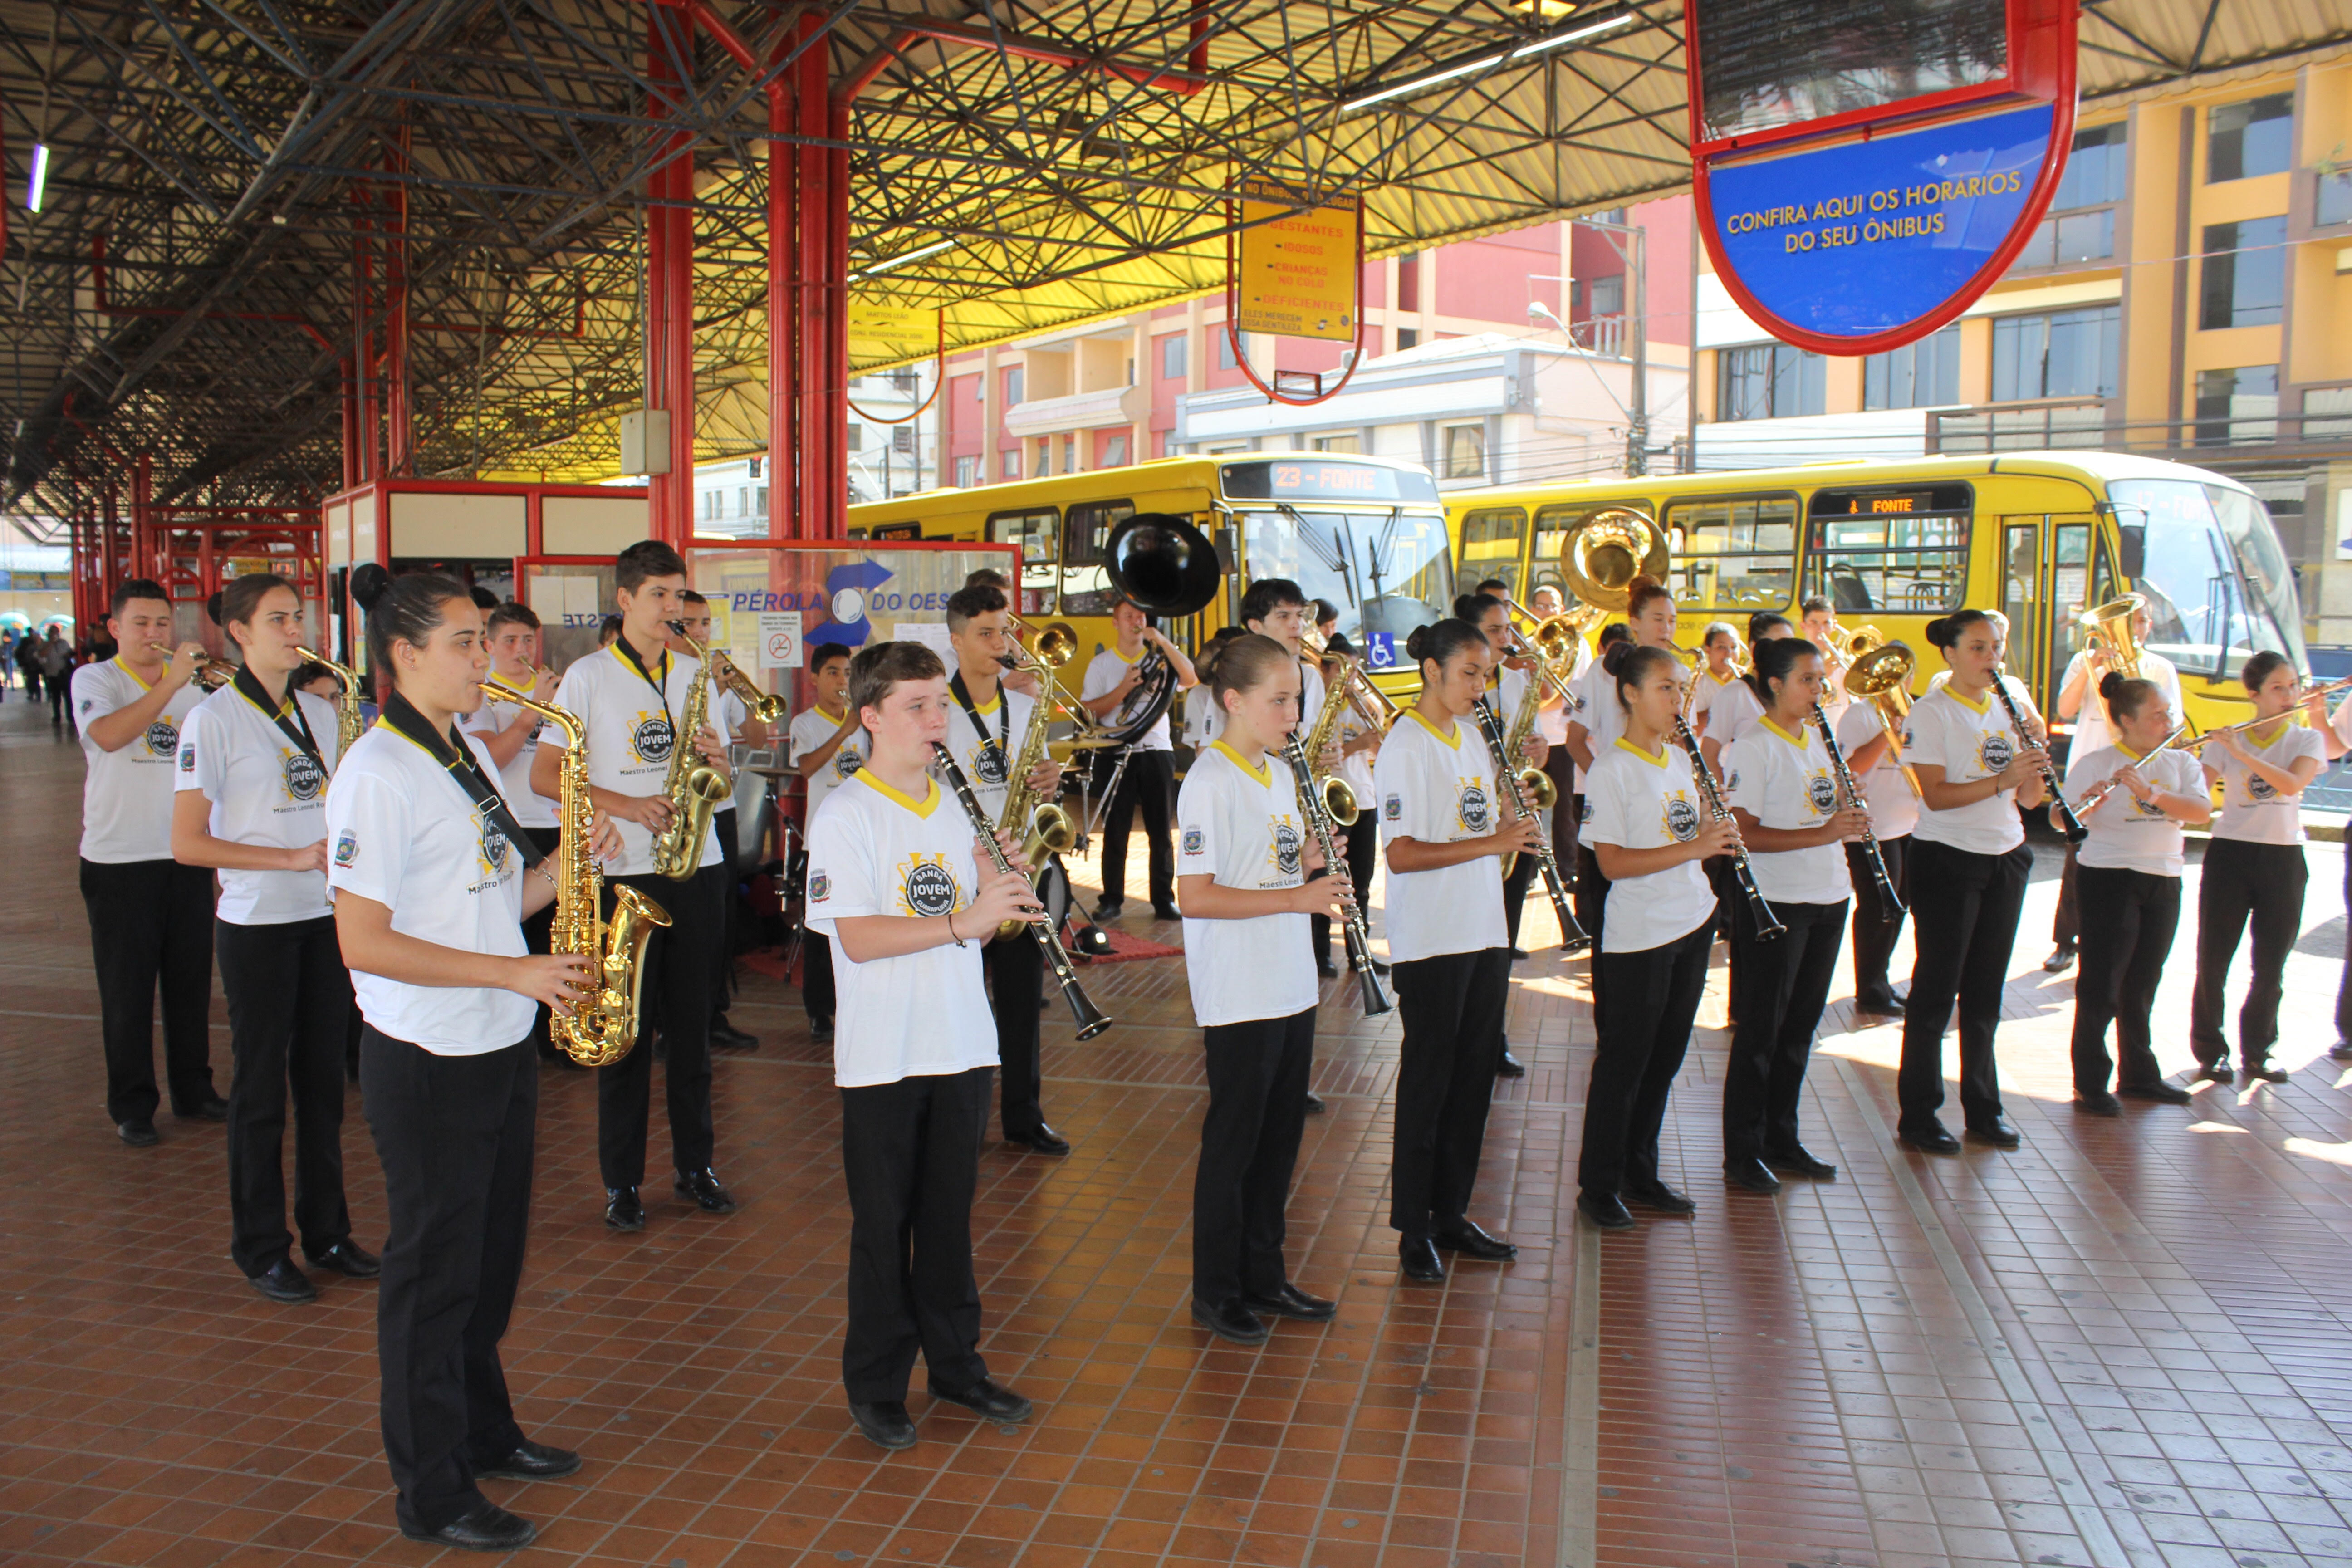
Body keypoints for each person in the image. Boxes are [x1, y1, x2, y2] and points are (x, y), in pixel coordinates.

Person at [327, 566, 610, 1553]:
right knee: (434, 1275)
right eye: (465, 641)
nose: (486, 657)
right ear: (404, 657)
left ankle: (485, 1431)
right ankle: (433, 1489)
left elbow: (492, 899)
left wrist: (564, 868)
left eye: (485, 638)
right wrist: (514, 971)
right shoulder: (378, 770)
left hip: (495, 1037)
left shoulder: (459, 755)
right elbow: (363, 941)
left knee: (491, 1263)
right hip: (428, 1051)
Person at [805, 639, 1040, 1451]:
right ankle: (875, 1383)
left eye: (940, 704)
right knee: (883, 1227)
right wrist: (964, 918)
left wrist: (1002, 887)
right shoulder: (844, 813)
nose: (936, 720)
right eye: (917, 706)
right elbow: (860, 938)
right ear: (869, 716)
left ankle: (956, 1366)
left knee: (947, 1220)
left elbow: (991, 925)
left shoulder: (956, 800)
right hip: (881, 1053)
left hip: (960, 1043)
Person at [172, 574, 373, 1303]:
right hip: (258, 926)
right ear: (239, 632)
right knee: (261, 1093)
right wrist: (289, 857)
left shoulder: (323, 713)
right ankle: (260, 1248)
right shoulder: (213, 721)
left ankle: (327, 1232)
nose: (297, 628)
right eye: (279, 618)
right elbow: (188, 844)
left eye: (300, 615)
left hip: (324, 919)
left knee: (323, 1086)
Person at [534, 539, 738, 1231]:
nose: (672, 609)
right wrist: (624, 806)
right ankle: (621, 1182)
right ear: (624, 601)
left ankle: (695, 1167)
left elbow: (724, 780)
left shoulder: (694, 674)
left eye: (679, 596)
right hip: (627, 875)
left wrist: (719, 763)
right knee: (624, 1035)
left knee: (692, 1031)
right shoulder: (587, 677)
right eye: (659, 596)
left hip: (696, 864)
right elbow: (544, 777)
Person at [1176, 633, 1348, 1343]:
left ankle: (1265, 1274)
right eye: (1279, 700)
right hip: (1240, 988)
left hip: (1288, 981)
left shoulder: (1278, 775)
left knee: (1279, 1142)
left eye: (1297, 700)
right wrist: (1296, 900)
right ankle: (1216, 1291)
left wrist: (1306, 860)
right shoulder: (1209, 780)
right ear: (1233, 702)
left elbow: (1266, 865)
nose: (1292, 714)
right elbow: (1197, 896)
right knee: (1235, 1142)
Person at [1375, 617, 1540, 1284]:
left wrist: (1509, 819)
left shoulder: (1474, 737)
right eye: (1469, 673)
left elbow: (1474, 826)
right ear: (1432, 672)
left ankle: (1452, 1212)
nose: (1481, 686)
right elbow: (1402, 853)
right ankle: (1414, 1227)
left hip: (1482, 930)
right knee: (1429, 1082)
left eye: (1486, 674)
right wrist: (1493, 843)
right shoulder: (1404, 746)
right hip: (1433, 940)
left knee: (1473, 1083)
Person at [1577, 642, 1738, 1230]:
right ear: (1631, 694)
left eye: (1681, 690)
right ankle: (1598, 1185)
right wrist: (1695, 845)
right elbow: (1613, 864)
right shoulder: (1611, 769)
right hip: (1638, 937)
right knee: (1624, 1063)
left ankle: (1640, 1170)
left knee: (1665, 1060)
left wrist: (1712, 828)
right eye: (1667, 689)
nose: (1678, 700)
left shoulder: (1676, 761)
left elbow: (1682, 834)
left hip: (1691, 921)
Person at [74, 580, 225, 1144]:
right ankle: (132, 1105)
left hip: (184, 855)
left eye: (162, 623)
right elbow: (112, 735)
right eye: (141, 623)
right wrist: (172, 684)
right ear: (115, 628)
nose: (154, 634)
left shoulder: (191, 690)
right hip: (118, 863)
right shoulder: (96, 680)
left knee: (189, 983)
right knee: (127, 990)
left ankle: (194, 1090)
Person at [1895, 609, 2048, 1154]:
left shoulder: (2009, 709)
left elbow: (2029, 801)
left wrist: (2035, 763)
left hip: (2005, 855)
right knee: (1937, 990)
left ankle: (1985, 1107)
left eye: (1997, 648)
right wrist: (2006, 776)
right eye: (1979, 648)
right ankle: (1919, 1113)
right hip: (1948, 858)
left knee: (1986, 991)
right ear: (1951, 655)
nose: (1992, 659)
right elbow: (1934, 794)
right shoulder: (1932, 713)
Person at [1719, 637, 1866, 1192]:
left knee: (1801, 1028)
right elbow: (1744, 832)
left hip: (1829, 895)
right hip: (1779, 903)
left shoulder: (1820, 737)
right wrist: (1826, 831)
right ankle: (1744, 1150)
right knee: (1762, 1029)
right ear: (1775, 684)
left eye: (1821, 680)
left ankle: (1783, 1137)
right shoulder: (1756, 745)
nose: (1819, 689)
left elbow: (1824, 809)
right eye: (1808, 679)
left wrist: (1846, 822)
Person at [942, 583, 1076, 1156]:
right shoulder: (936, 708)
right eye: (986, 634)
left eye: (1005, 632)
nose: (1001, 644)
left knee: (1022, 1002)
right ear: (956, 641)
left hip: (1021, 867)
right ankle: (957, 1117)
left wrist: (1051, 780)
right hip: (959, 874)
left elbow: (1036, 781)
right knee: (958, 1001)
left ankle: (1023, 1115)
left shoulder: (1024, 708)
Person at [2060, 673, 2208, 1114]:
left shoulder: (2181, 764)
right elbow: (2058, 820)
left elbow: (2200, 812)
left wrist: (2152, 793)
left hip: (2163, 876)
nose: (2168, 721)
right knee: (2101, 981)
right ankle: (2090, 1081)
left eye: (2168, 713)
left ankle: (2139, 1074)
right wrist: (2087, 804)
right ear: (2127, 719)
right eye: (2158, 714)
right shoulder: (2095, 762)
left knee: (2144, 980)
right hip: (2108, 876)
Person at [2191, 652, 2327, 1083]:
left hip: (2283, 856)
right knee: (2214, 958)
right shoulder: (2228, 739)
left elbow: (2290, 784)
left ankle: (2259, 1050)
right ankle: (2211, 1049)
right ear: (2254, 694)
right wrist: (2195, 756)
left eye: (2294, 686)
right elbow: (2195, 787)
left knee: (2271, 963)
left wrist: (2240, 753)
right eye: (2279, 688)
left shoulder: (2306, 740)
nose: (2291, 696)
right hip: (2230, 852)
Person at [2046, 601, 2184, 973]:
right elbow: (2065, 708)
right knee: (2077, 861)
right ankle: (2066, 941)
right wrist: (2096, 666)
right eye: (2127, 622)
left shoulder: (2160, 667)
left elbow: (2170, 724)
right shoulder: (2085, 660)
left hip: (2138, 772)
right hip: (2092, 771)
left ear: (2150, 625)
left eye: (2140, 621)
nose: (2135, 628)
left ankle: (2106, 946)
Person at [460, 602, 568, 1065]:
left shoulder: (555, 686)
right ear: (489, 645)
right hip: (513, 827)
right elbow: (488, 762)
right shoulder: (482, 694)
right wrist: (532, 714)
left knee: (560, 935)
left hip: (556, 821)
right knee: (517, 933)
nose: (522, 650)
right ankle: (527, 1032)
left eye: (529, 640)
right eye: (510, 641)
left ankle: (560, 1032)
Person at [1563, 574, 1681, 997]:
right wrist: (1607, 785)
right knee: (1605, 902)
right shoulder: (1603, 671)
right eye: (1657, 619)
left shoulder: (1678, 672)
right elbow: (1576, 741)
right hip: (1614, 803)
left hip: (1664, 803)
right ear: (1634, 622)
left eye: (1671, 620)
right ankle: (1610, 999)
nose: (1666, 629)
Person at [1460, 590, 1548, 1074]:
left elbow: (1535, 750)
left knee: (1502, 940)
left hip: (1515, 825)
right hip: (1475, 830)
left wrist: (1538, 750)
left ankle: (1494, 1037)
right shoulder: (1455, 692)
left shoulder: (1514, 687)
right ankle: (1470, 1035)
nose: (1507, 640)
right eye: (1496, 631)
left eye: (1509, 630)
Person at [671, 590, 760, 1052]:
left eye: (706, 623)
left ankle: (713, 1014)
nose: (701, 633)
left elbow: (738, 745)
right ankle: (680, 1022)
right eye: (690, 623)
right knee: (687, 924)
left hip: (717, 810)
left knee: (720, 918)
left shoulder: (706, 677)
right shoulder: (674, 677)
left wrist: (731, 689)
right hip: (678, 815)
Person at [1078, 592, 1197, 923]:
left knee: (1161, 832)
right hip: (1115, 751)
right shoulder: (1102, 664)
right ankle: (1112, 899)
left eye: (1141, 616)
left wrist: (1161, 640)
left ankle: (1163, 900)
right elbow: (1090, 711)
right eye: (1129, 616)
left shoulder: (1161, 660)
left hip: (1156, 752)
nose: (1137, 621)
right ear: (1116, 623)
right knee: (1116, 830)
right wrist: (1124, 688)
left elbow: (1190, 677)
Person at [789, 642, 864, 1042]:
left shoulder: (863, 721)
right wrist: (844, 732)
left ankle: (856, 1001)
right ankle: (819, 1011)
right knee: (820, 928)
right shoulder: (805, 723)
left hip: (862, 838)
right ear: (815, 679)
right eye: (834, 673)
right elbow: (806, 768)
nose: (842, 681)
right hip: (822, 842)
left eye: (848, 673)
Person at [1835, 671, 1918, 1016]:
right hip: (1870, 827)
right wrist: (1888, 732)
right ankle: (1869, 988)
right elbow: (1851, 767)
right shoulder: (1859, 714)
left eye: (1906, 676)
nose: (1901, 684)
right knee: (1878, 908)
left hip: (1908, 824)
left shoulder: (1915, 710)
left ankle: (1879, 980)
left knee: (1900, 906)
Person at [42, 627, 74, 729]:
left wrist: (68, 655)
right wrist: (51, 643)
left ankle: (70, 716)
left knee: (68, 696)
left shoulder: (64, 643)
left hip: (64, 673)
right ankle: (57, 716)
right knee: (56, 697)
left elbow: (69, 653)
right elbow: (42, 654)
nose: (55, 635)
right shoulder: (45, 644)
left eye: (57, 632)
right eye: (53, 633)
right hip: (53, 674)